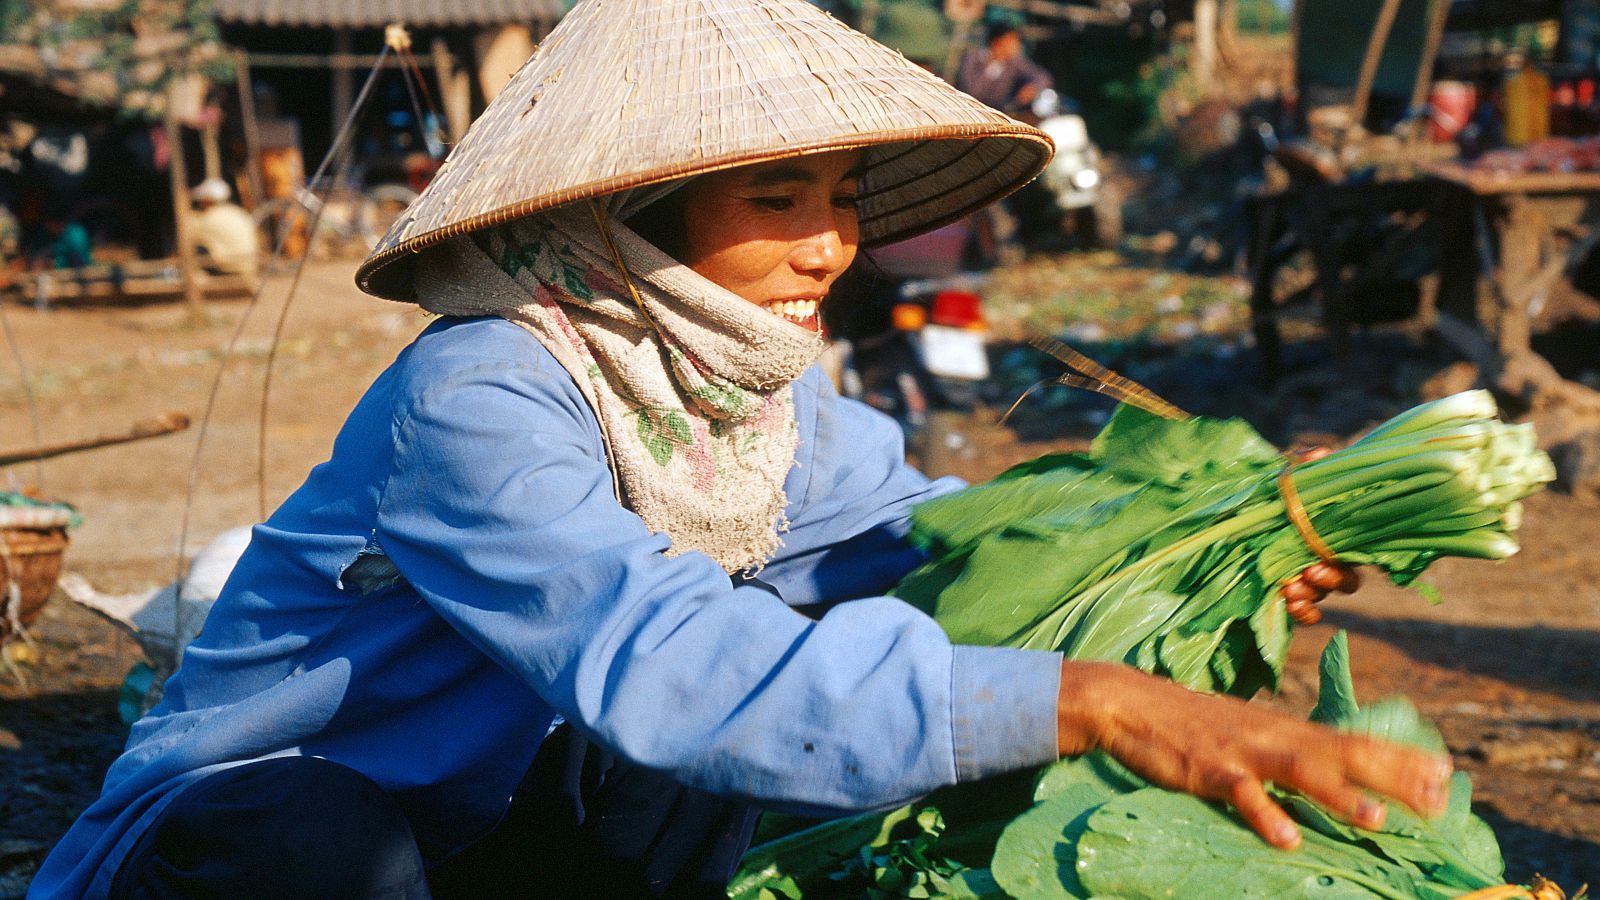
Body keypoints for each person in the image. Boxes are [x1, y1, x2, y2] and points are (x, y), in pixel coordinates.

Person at [31, 3, 1449, 898]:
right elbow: (667, 662)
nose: (831, 245)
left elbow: (931, 544)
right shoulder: (478, 394)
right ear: (628, 226)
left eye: (842, 196)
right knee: (332, 836)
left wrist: (1195, 557)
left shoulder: (760, 408)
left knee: (694, 773)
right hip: (250, 844)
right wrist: (1094, 701)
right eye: (777, 198)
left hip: (478, 841)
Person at [956, 22, 1054, 117]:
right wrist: (994, 64)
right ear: (997, 42)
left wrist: (1032, 88)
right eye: (1011, 41)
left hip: (998, 115)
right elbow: (971, 91)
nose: (1016, 46)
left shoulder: (1014, 63)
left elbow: (1043, 77)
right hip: (968, 113)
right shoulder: (972, 59)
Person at [189, 177, 261, 282]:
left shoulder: (207, 216)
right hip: (248, 268)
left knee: (195, 247)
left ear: (208, 200)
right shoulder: (239, 213)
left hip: (228, 270)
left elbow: (186, 234)